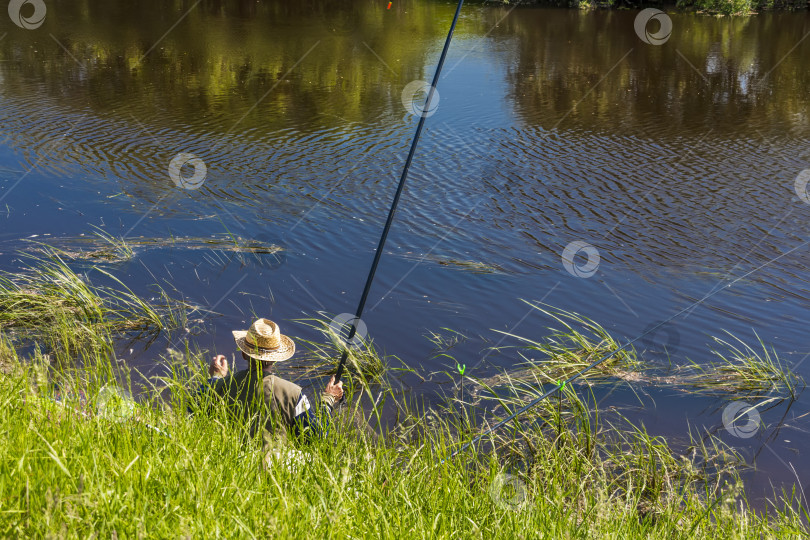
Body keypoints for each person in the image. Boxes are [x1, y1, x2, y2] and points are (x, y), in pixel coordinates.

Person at [194, 318, 344, 464]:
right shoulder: (293, 393)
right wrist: (328, 399)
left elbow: (195, 407)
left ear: (244, 354)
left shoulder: (221, 385)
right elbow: (316, 439)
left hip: (229, 459)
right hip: (271, 467)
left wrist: (216, 377)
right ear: (276, 358)